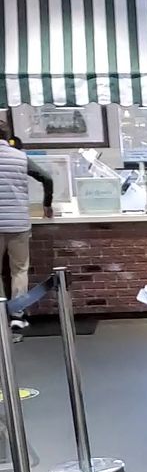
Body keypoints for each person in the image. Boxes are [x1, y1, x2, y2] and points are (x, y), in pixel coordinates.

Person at [0, 121, 53, 331]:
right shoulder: (20, 157)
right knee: (19, 270)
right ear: (8, 136)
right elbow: (46, 178)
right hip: (18, 222)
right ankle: (17, 315)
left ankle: (0, 316)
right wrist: (47, 204)